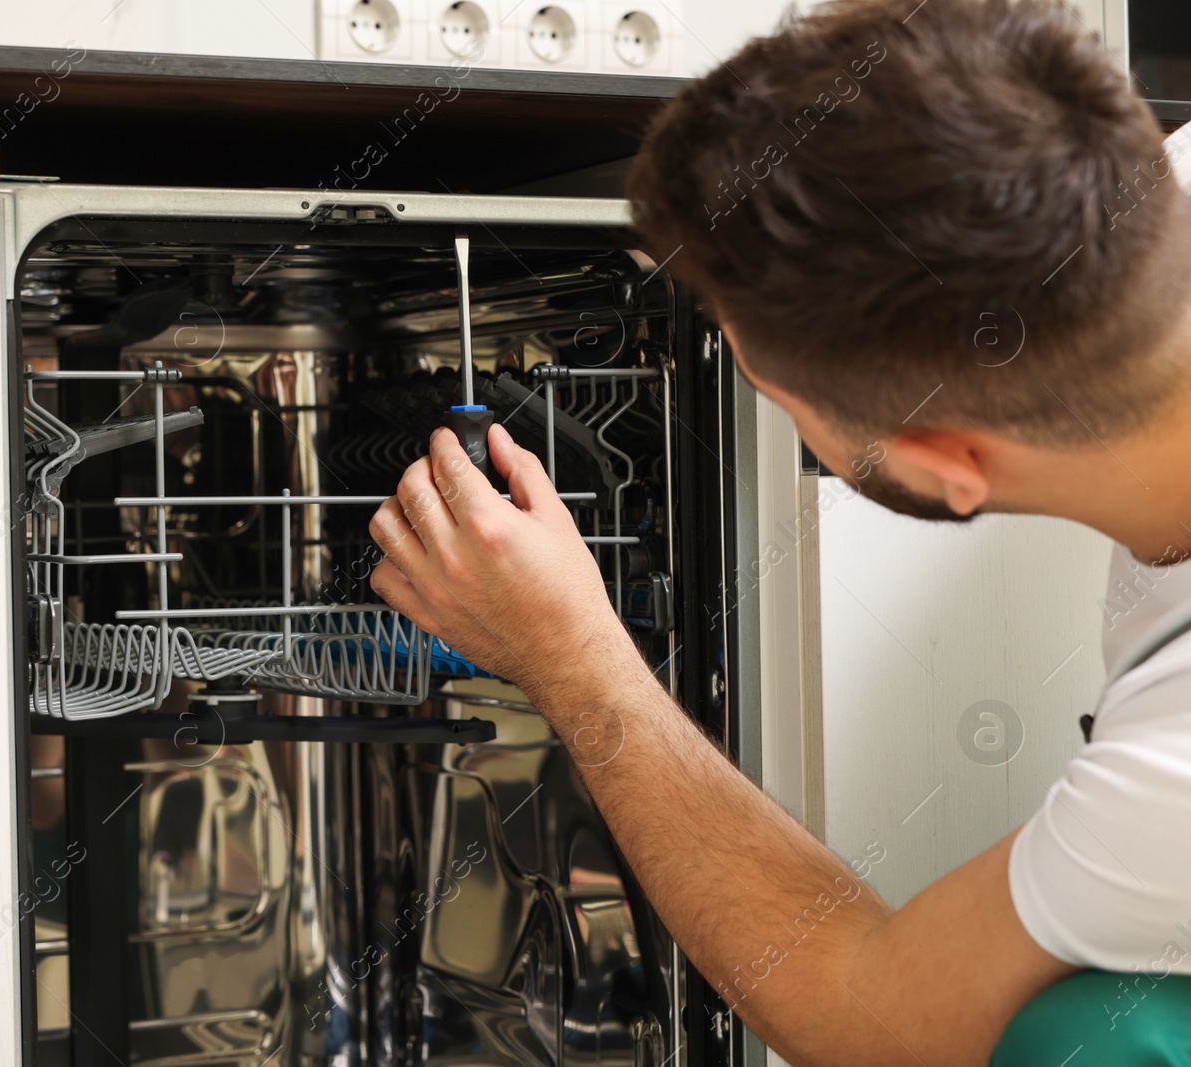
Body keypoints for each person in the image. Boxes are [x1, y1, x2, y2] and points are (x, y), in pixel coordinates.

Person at [367, 0, 1191, 1063]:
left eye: (761, 375)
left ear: (947, 461)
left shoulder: (1170, 777)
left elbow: (868, 1016)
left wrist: (569, 656)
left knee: (1072, 1039)